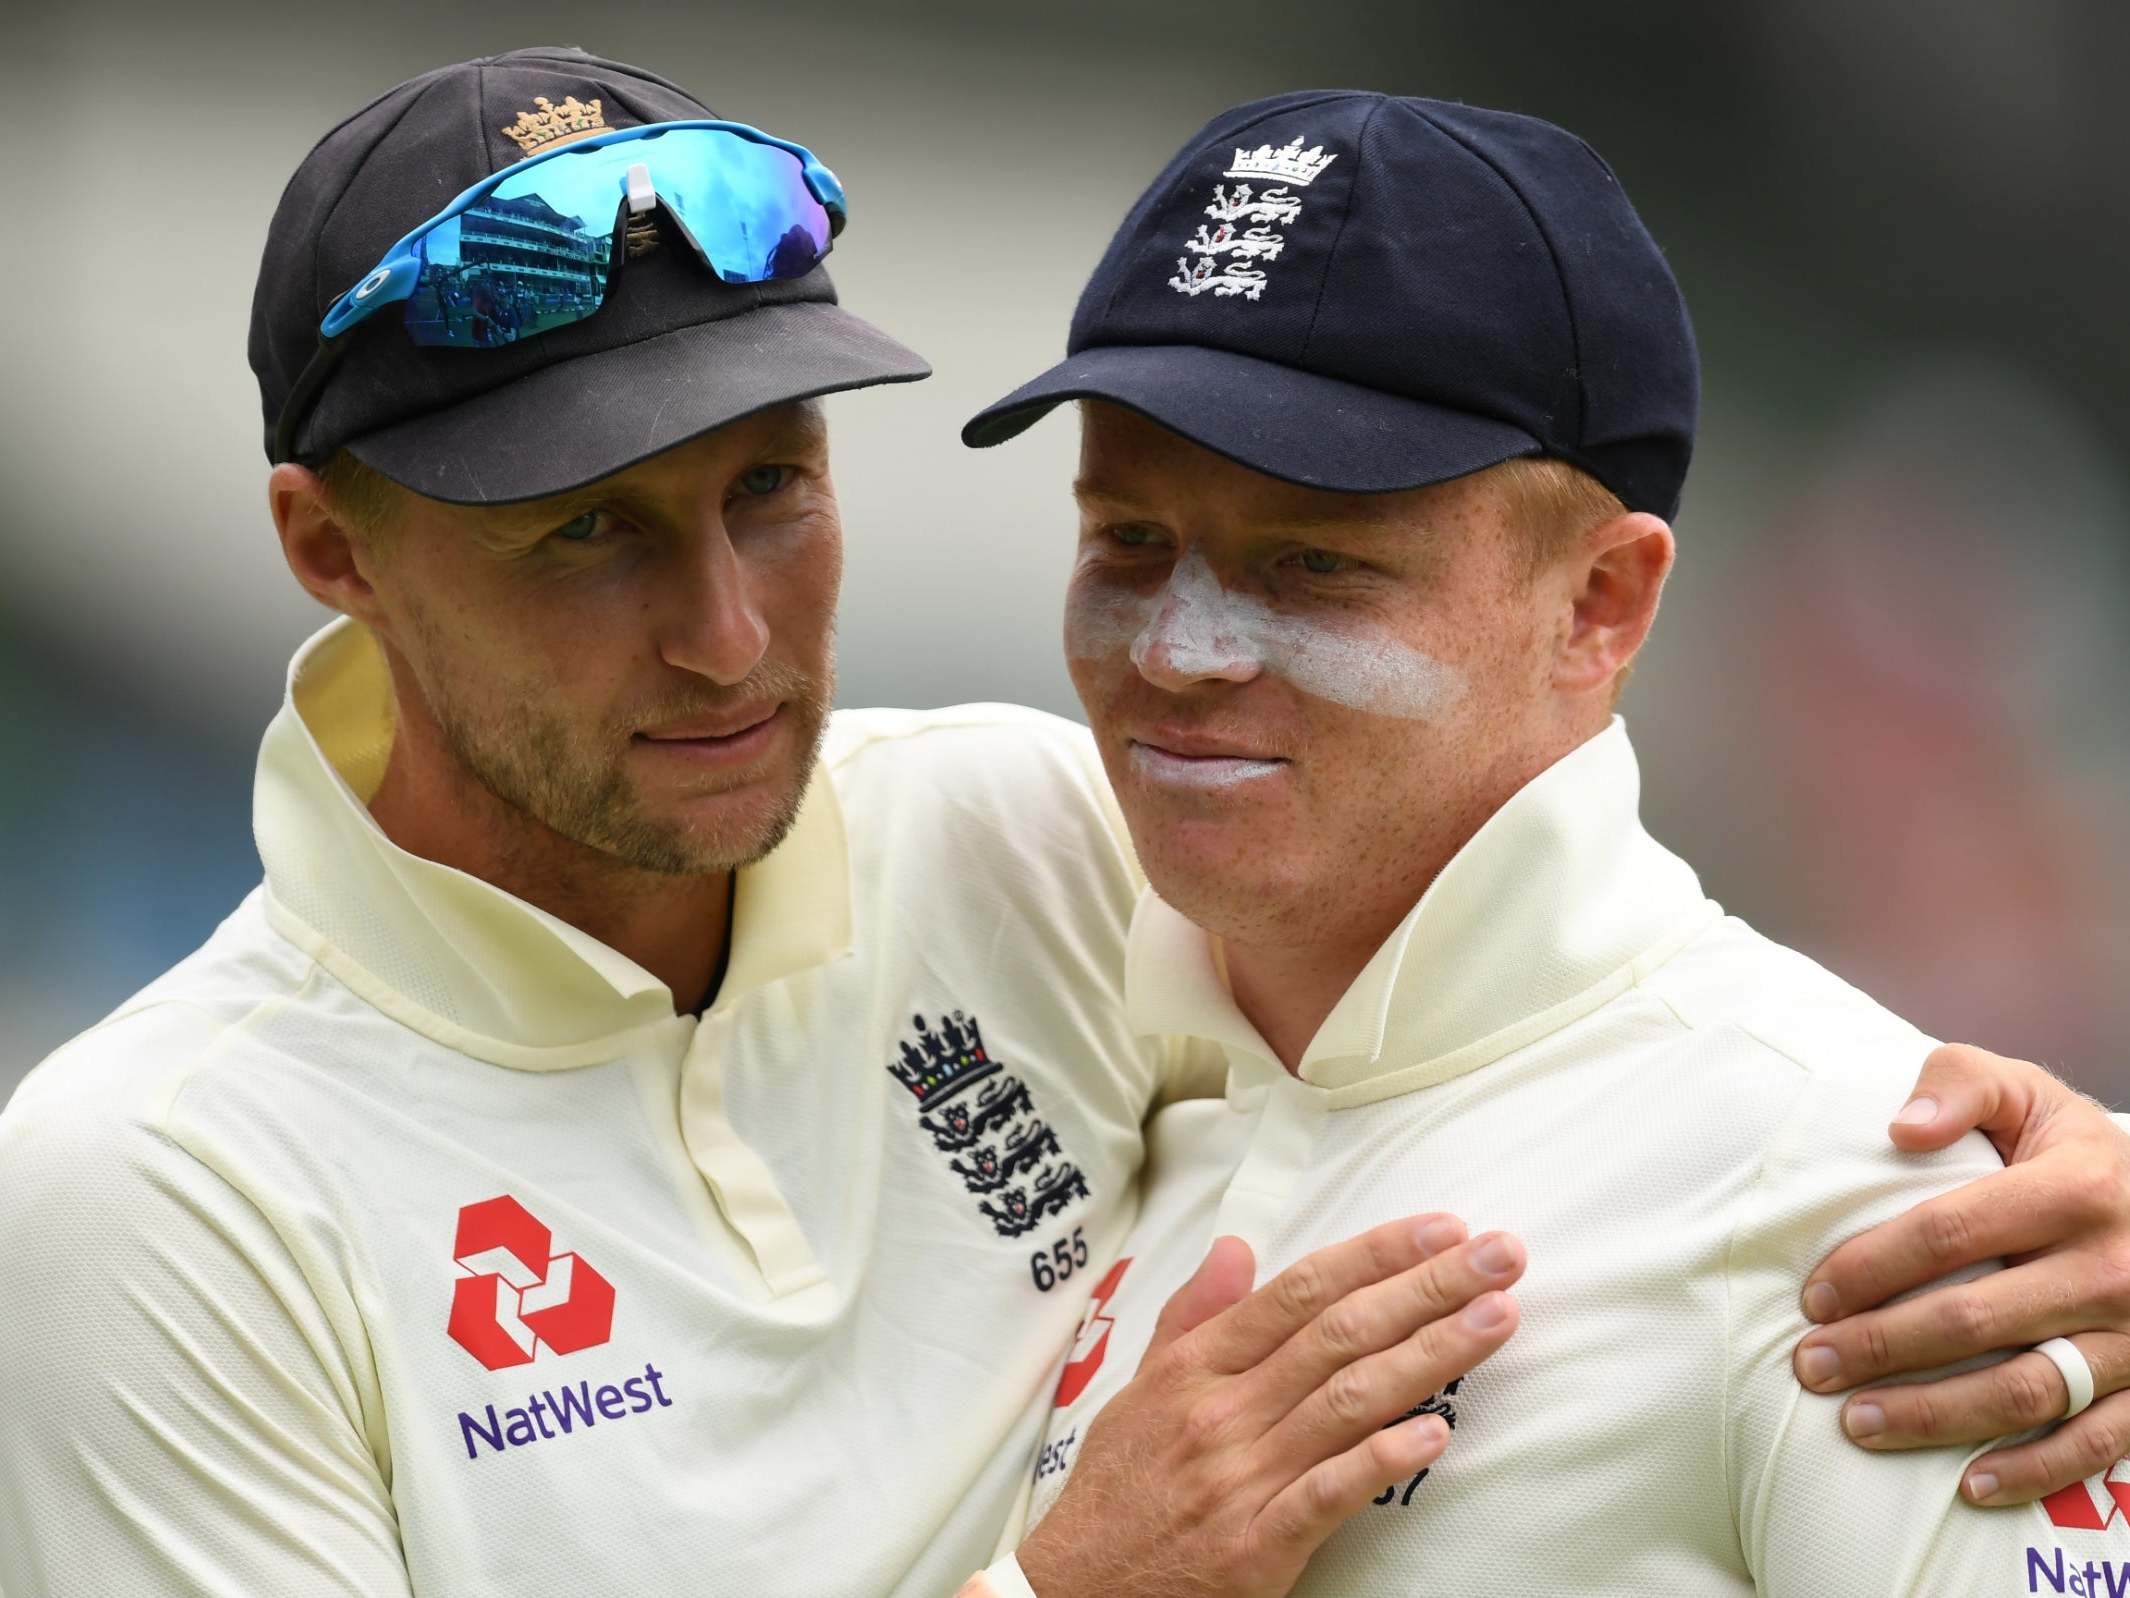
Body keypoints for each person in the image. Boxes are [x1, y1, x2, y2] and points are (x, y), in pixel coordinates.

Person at [0, 47, 2122, 1598]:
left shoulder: (1024, 836)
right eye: (585, 538)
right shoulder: (155, 1191)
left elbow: (1558, 984)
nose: (730, 636)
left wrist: (2070, 1183)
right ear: (327, 546)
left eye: (773, 491)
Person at [958, 90, 2130, 1593]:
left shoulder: (1861, 1193)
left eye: (1314, 562)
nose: (1178, 648)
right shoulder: (1085, 1046)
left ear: (1599, 606)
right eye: (1124, 540)